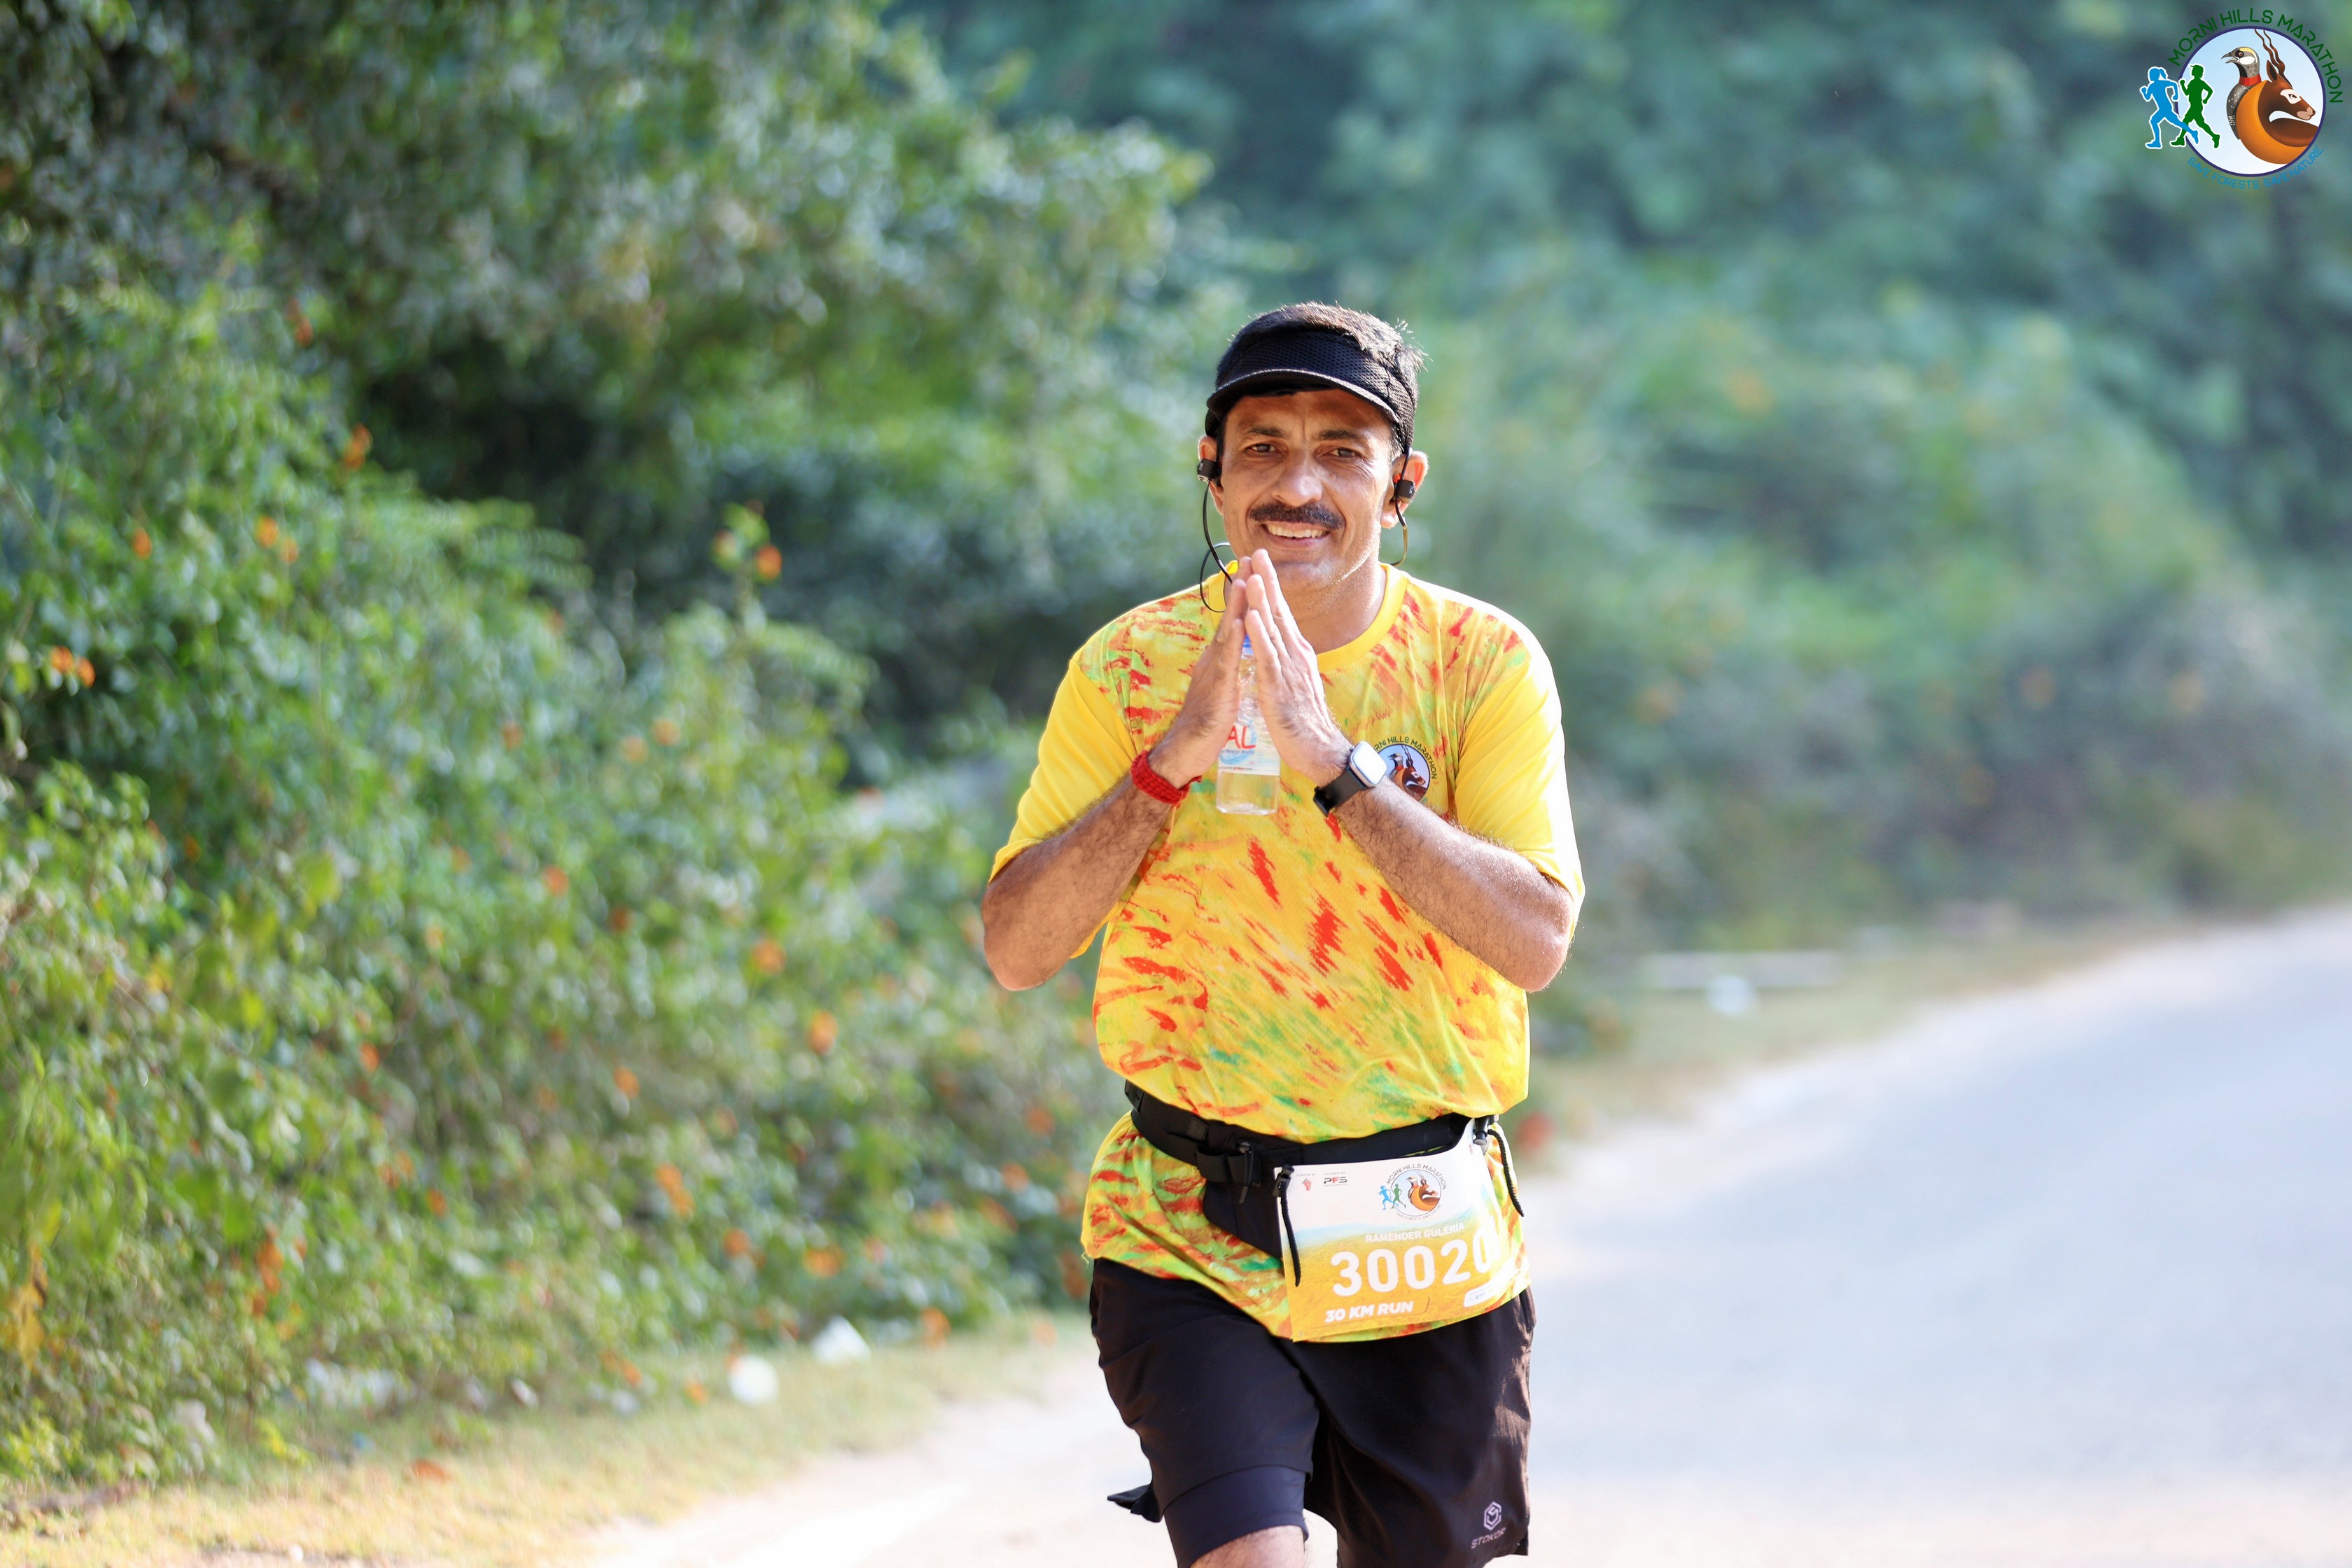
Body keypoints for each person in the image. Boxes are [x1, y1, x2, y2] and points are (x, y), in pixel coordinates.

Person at [982, 302, 1582, 1568]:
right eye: (1262, 448)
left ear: (1401, 485)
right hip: (1191, 1228)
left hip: (1424, 1239)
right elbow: (1018, 948)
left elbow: (1535, 939)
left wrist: (1334, 765)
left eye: (1341, 452)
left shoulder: (1482, 663)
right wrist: (1172, 759)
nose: (1297, 485)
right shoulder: (1127, 669)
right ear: (1213, 471)